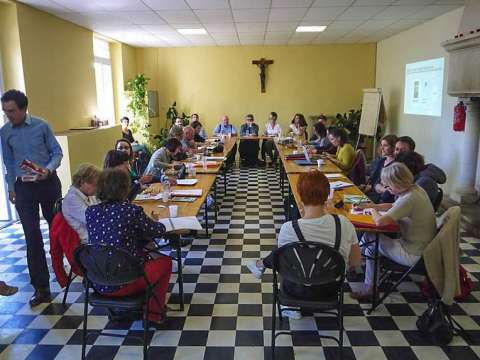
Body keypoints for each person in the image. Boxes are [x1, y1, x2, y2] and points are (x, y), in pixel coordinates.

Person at [247, 171, 361, 319]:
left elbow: (283, 266)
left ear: (300, 196)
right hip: (330, 290)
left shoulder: (288, 228)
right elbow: (356, 262)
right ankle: (260, 265)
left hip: (295, 290)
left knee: (285, 256)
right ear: (327, 195)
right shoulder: (344, 224)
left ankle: (289, 305)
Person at [86, 168, 172, 326]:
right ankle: (153, 314)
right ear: (124, 188)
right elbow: (158, 231)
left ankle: (119, 311)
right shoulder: (131, 211)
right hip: (126, 282)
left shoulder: (91, 212)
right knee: (165, 263)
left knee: (135, 252)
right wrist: (153, 221)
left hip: (97, 280)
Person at [0, 89, 63, 306]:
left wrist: (48, 169)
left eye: (12, 111)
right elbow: (8, 162)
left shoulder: (41, 125)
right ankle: (41, 288)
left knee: (58, 230)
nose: (9, 116)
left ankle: (73, 272)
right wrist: (10, 187)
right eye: (5, 112)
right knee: (31, 236)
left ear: (24, 108)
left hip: (47, 184)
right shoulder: (5, 132)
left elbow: (57, 153)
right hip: (23, 188)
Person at [351, 163, 436, 300]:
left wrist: (371, 210)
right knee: (370, 242)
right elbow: (393, 206)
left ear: (397, 183)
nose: (387, 189)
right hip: (422, 248)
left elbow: (380, 222)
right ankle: (367, 279)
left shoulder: (409, 199)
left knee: (370, 239)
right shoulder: (416, 189)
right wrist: (370, 205)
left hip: (413, 253)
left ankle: (365, 281)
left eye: (388, 186)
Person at [62, 164, 101, 244]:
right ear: (82, 182)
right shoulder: (72, 199)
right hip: (87, 243)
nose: (97, 188)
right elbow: (93, 220)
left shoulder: (88, 195)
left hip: (95, 236)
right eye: (95, 185)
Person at [362, 134, 397, 203]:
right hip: (372, 193)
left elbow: (388, 190)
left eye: (385, 145)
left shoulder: (396, 165)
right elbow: (374, 181)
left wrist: (378, 187)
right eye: (381, 145)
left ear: (393, 147)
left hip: (382, 200)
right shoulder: (381, 161)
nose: (382, 148)